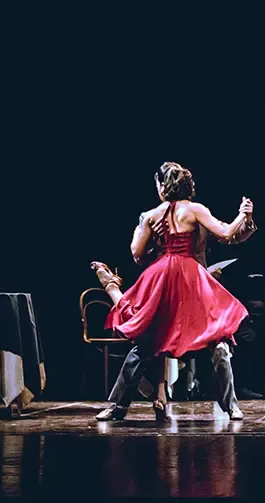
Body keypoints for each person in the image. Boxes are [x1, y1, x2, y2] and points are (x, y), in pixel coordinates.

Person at [91, 161, 251, 421]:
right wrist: (242, 214)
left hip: (167, 278)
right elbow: (225, 231)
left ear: (163, 187)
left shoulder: (151, 214)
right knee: (158, 344)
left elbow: (136, 254)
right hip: (186, 279)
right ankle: (119, 405)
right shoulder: (194, 209)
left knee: (192, 344)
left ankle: (118, 406)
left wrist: (148, 234)